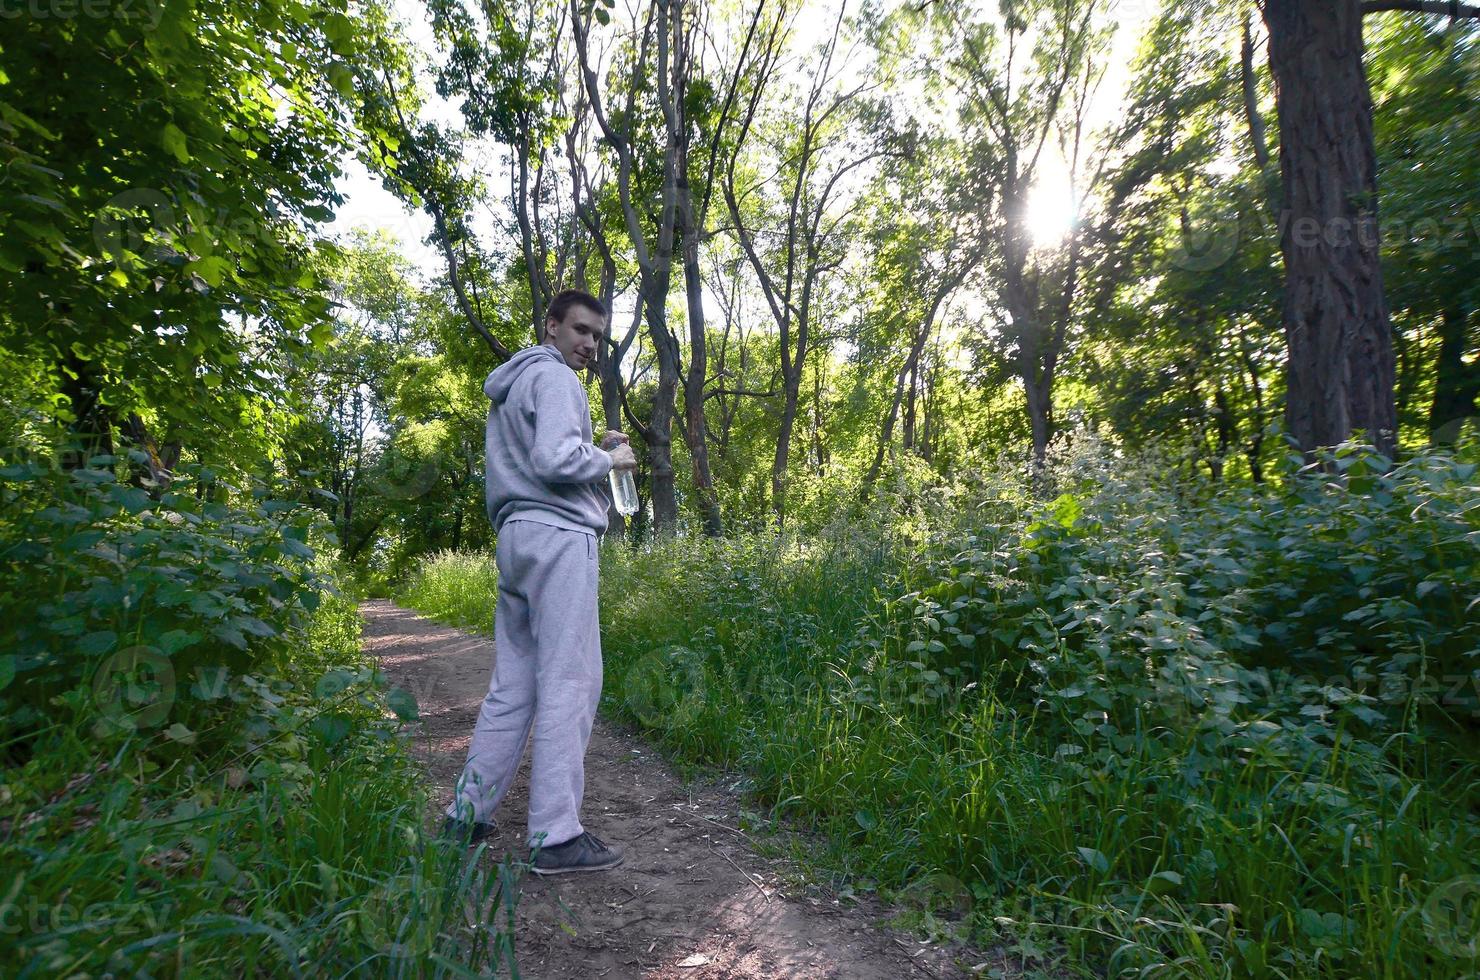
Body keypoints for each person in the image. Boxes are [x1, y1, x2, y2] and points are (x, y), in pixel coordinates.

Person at [441, 288, 637, 876]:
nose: (589, 345)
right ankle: (555, 837)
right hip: (557, 539)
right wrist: (610, 462)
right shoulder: (556, 380)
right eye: (580, 330)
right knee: (571, 681)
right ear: (551, 327)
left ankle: (465, 816)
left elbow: (537, 457)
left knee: (514, 686)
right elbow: (555, 461)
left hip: (516, 536)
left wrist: (586, 449)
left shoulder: (513, 386)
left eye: (597, 336)